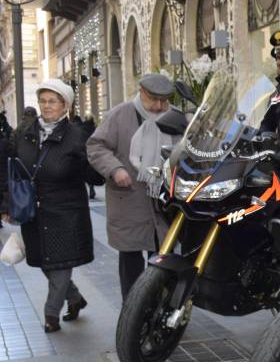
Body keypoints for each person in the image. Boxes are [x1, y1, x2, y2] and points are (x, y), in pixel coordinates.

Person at [0, 80, 102, 332]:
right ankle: (75, 298)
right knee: (45, 261)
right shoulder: (25, 133)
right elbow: (10, 170)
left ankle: (51, 315)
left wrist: (95, 162)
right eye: (43, 101)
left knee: (60, 264)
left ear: (65, 105)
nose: (46, 106)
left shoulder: (77, 136)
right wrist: (6, 203)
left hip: (66, 212)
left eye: (52, 101)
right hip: (33, 212)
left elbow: (95, 176)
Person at [87, 73, 177, 300]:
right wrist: (115, 169)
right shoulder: (120, 115)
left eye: (164, 101)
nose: (159, 107)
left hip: (164, 201)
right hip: (130, 200)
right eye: (154, 100)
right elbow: (96, 147)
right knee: (131, 261)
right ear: (142, 93)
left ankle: (161, 307)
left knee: (163, 258)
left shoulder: (175, 117)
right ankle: (132, 309)